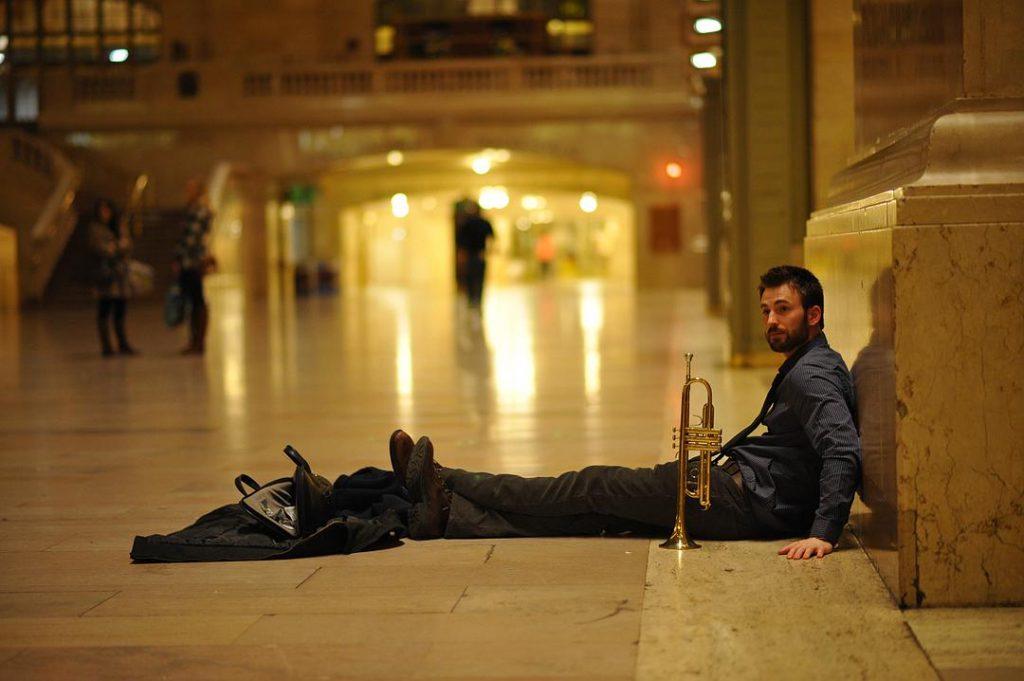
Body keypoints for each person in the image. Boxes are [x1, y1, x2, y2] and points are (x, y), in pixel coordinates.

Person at [388, 265, 861, 560]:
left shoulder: (810, 375)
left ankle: (449, 479)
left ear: (813, 315)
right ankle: (449, 516)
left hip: (743, 501)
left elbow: (843, 449)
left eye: (783, 309)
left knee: (593, 484)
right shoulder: (813, 361)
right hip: (741, 488)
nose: (771, 322)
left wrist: (824, 532)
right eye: (765, 311)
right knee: (599, 510)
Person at [89, 198, 137, 357]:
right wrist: (117, 247)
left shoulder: (118, 227)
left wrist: (117, 246)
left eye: (107, 210)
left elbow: (127, 245)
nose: (105, 214)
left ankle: (122, 343)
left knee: (120, 312)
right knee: (104, 311)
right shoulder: (95, 229)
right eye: (102, 210)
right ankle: (106, 346)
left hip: (120, 276)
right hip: (105, 276)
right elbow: (102, 249)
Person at [172, 179, 213, 355]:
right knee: (195, 301)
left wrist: (179, 258)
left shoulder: (198, 211)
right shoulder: (196, 210)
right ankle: (195, 340)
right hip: (193, 261)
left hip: (192, 262)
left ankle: (198, 341)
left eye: (190, 189)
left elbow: (191, 240)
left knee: (197, 301)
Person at [455, 202, 494, 308]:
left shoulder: (470, 223)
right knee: (475, 278)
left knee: (475, 278)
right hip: (474, 256)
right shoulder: (469, 223)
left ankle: (474, 299)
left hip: (477, 255)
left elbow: (491, 238)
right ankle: (474, 299)